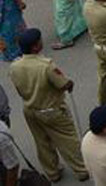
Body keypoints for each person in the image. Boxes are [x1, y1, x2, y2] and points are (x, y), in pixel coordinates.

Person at [9, 28, 90, 181]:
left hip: (30, 109)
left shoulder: (15, 66)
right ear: (35, 47)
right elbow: (63, 84)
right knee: (68, 141)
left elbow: (18, 88)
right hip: (51, 110)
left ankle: (52, 173)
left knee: (42, 142)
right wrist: (69, 84)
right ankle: (82, 169)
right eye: (39, 40)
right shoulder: (46, 66)